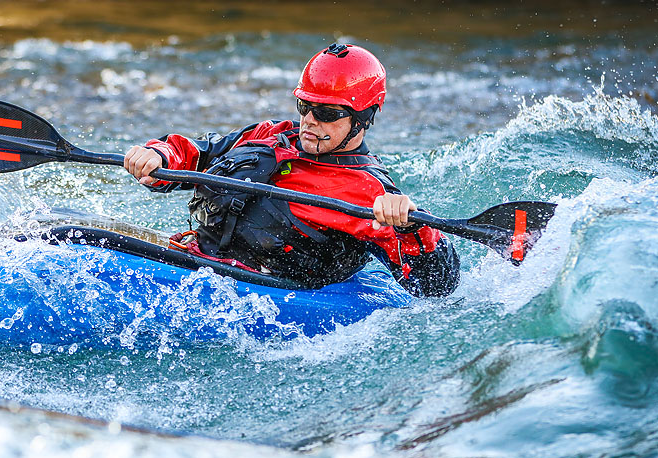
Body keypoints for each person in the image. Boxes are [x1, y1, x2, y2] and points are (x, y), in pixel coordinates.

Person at [123, 43, 460, 296]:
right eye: (304, 105)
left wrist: (410, 228)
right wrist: (159, 156)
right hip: (197, 257)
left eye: (327, 113)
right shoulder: (271, 134)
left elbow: (437, 287)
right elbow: (201, 153)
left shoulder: (369, 192)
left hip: (264, 293)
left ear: (363, 118)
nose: (309, 120)